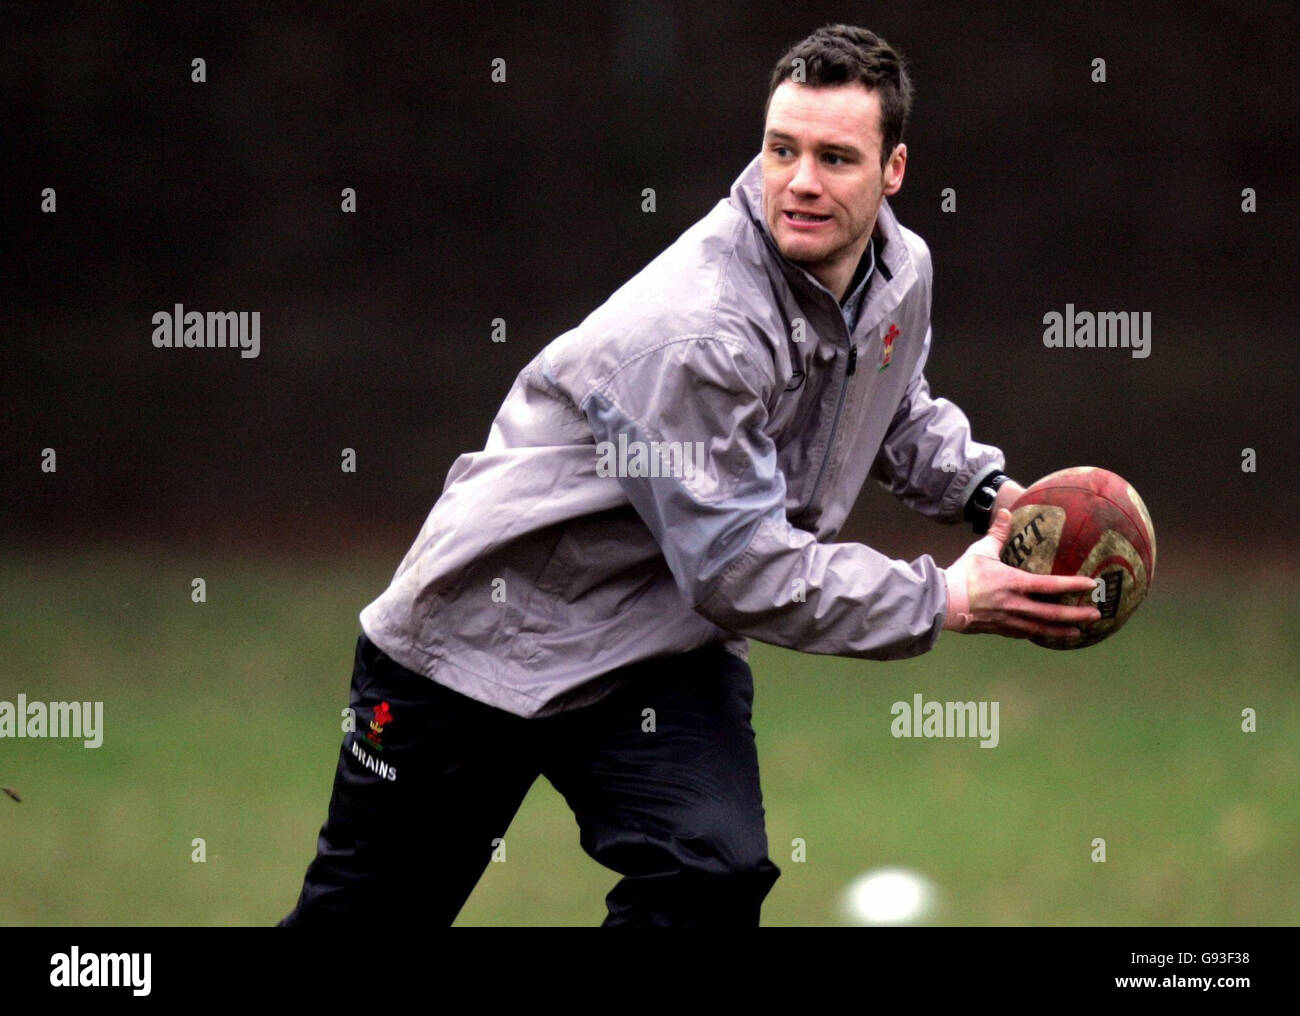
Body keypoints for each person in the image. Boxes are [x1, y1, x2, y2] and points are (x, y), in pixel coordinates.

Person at [278, 23, 1100, 928]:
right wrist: (943, 598)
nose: (800, 182)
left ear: (893, 171)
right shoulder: (701, 333)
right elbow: (744, 569)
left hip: (657, 653)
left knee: (708, 882)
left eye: (834, 157)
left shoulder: (900, 272)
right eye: (781, 150)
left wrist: (989, 495)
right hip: (479, 645)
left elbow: (892, 404)